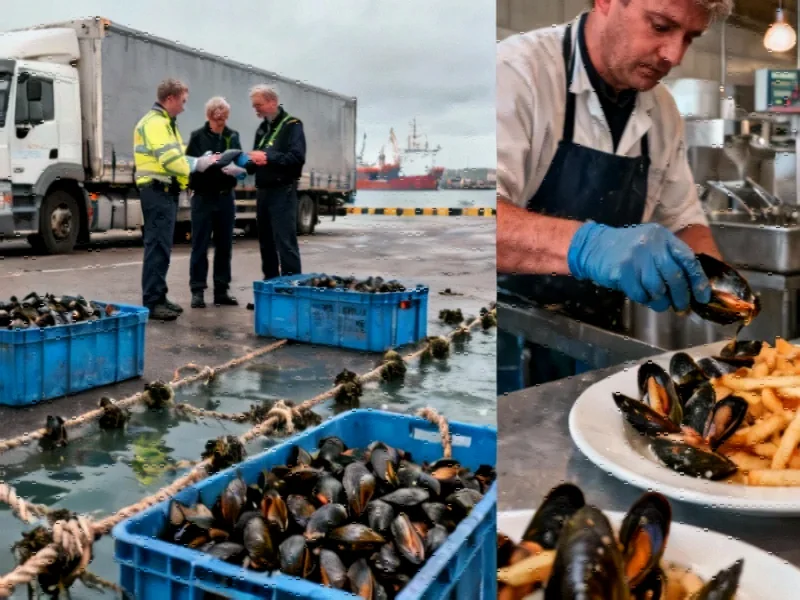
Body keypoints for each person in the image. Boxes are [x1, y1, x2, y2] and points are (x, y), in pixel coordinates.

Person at [495, 0, 733, 393]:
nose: (674, 55)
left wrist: (721, 296)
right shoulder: (518, 72)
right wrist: (588, 246)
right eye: (660, 26)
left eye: (689, 37)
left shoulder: (662, 109)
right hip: (508, 335)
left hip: (596, 341)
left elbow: (684, 222)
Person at [133, 79, 219, 321]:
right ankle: (152, 301)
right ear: (170, 99)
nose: (183, 107)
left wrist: (195, 162)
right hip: (157, 191)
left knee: (162, 247)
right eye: (182, 101)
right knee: (158, 246)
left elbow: (177, 157)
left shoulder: (165, 123)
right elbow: (170, 160)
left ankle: (159, 296)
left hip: (164, 191)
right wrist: (195, 166)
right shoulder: (156, 123)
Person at [233, 84, 306, 281]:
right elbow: (254, 163)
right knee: (266, 244)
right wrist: (237, 164)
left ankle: (291, 288)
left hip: (283, 191)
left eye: (259, 105)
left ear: (272, 102)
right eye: (254, 106)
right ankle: (271, 289)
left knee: (285, 242)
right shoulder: (263, 129)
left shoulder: (292, 125)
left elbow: (297, 158)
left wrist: (268, 157)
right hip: (263, 191)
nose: (256, 109)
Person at [185, 96, 246, 308]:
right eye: (218, 119)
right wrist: (201, 165)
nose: (222, 123)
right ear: (210, 116)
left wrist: (240, 171)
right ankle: (198, 291)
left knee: (224, 246)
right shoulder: (197, 137)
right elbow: (188, 165)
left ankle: (221, 290)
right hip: (203, 197)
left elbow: (241, 161)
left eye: (224, 118)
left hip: (225, 197)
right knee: (200, 245)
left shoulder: (233, 136)